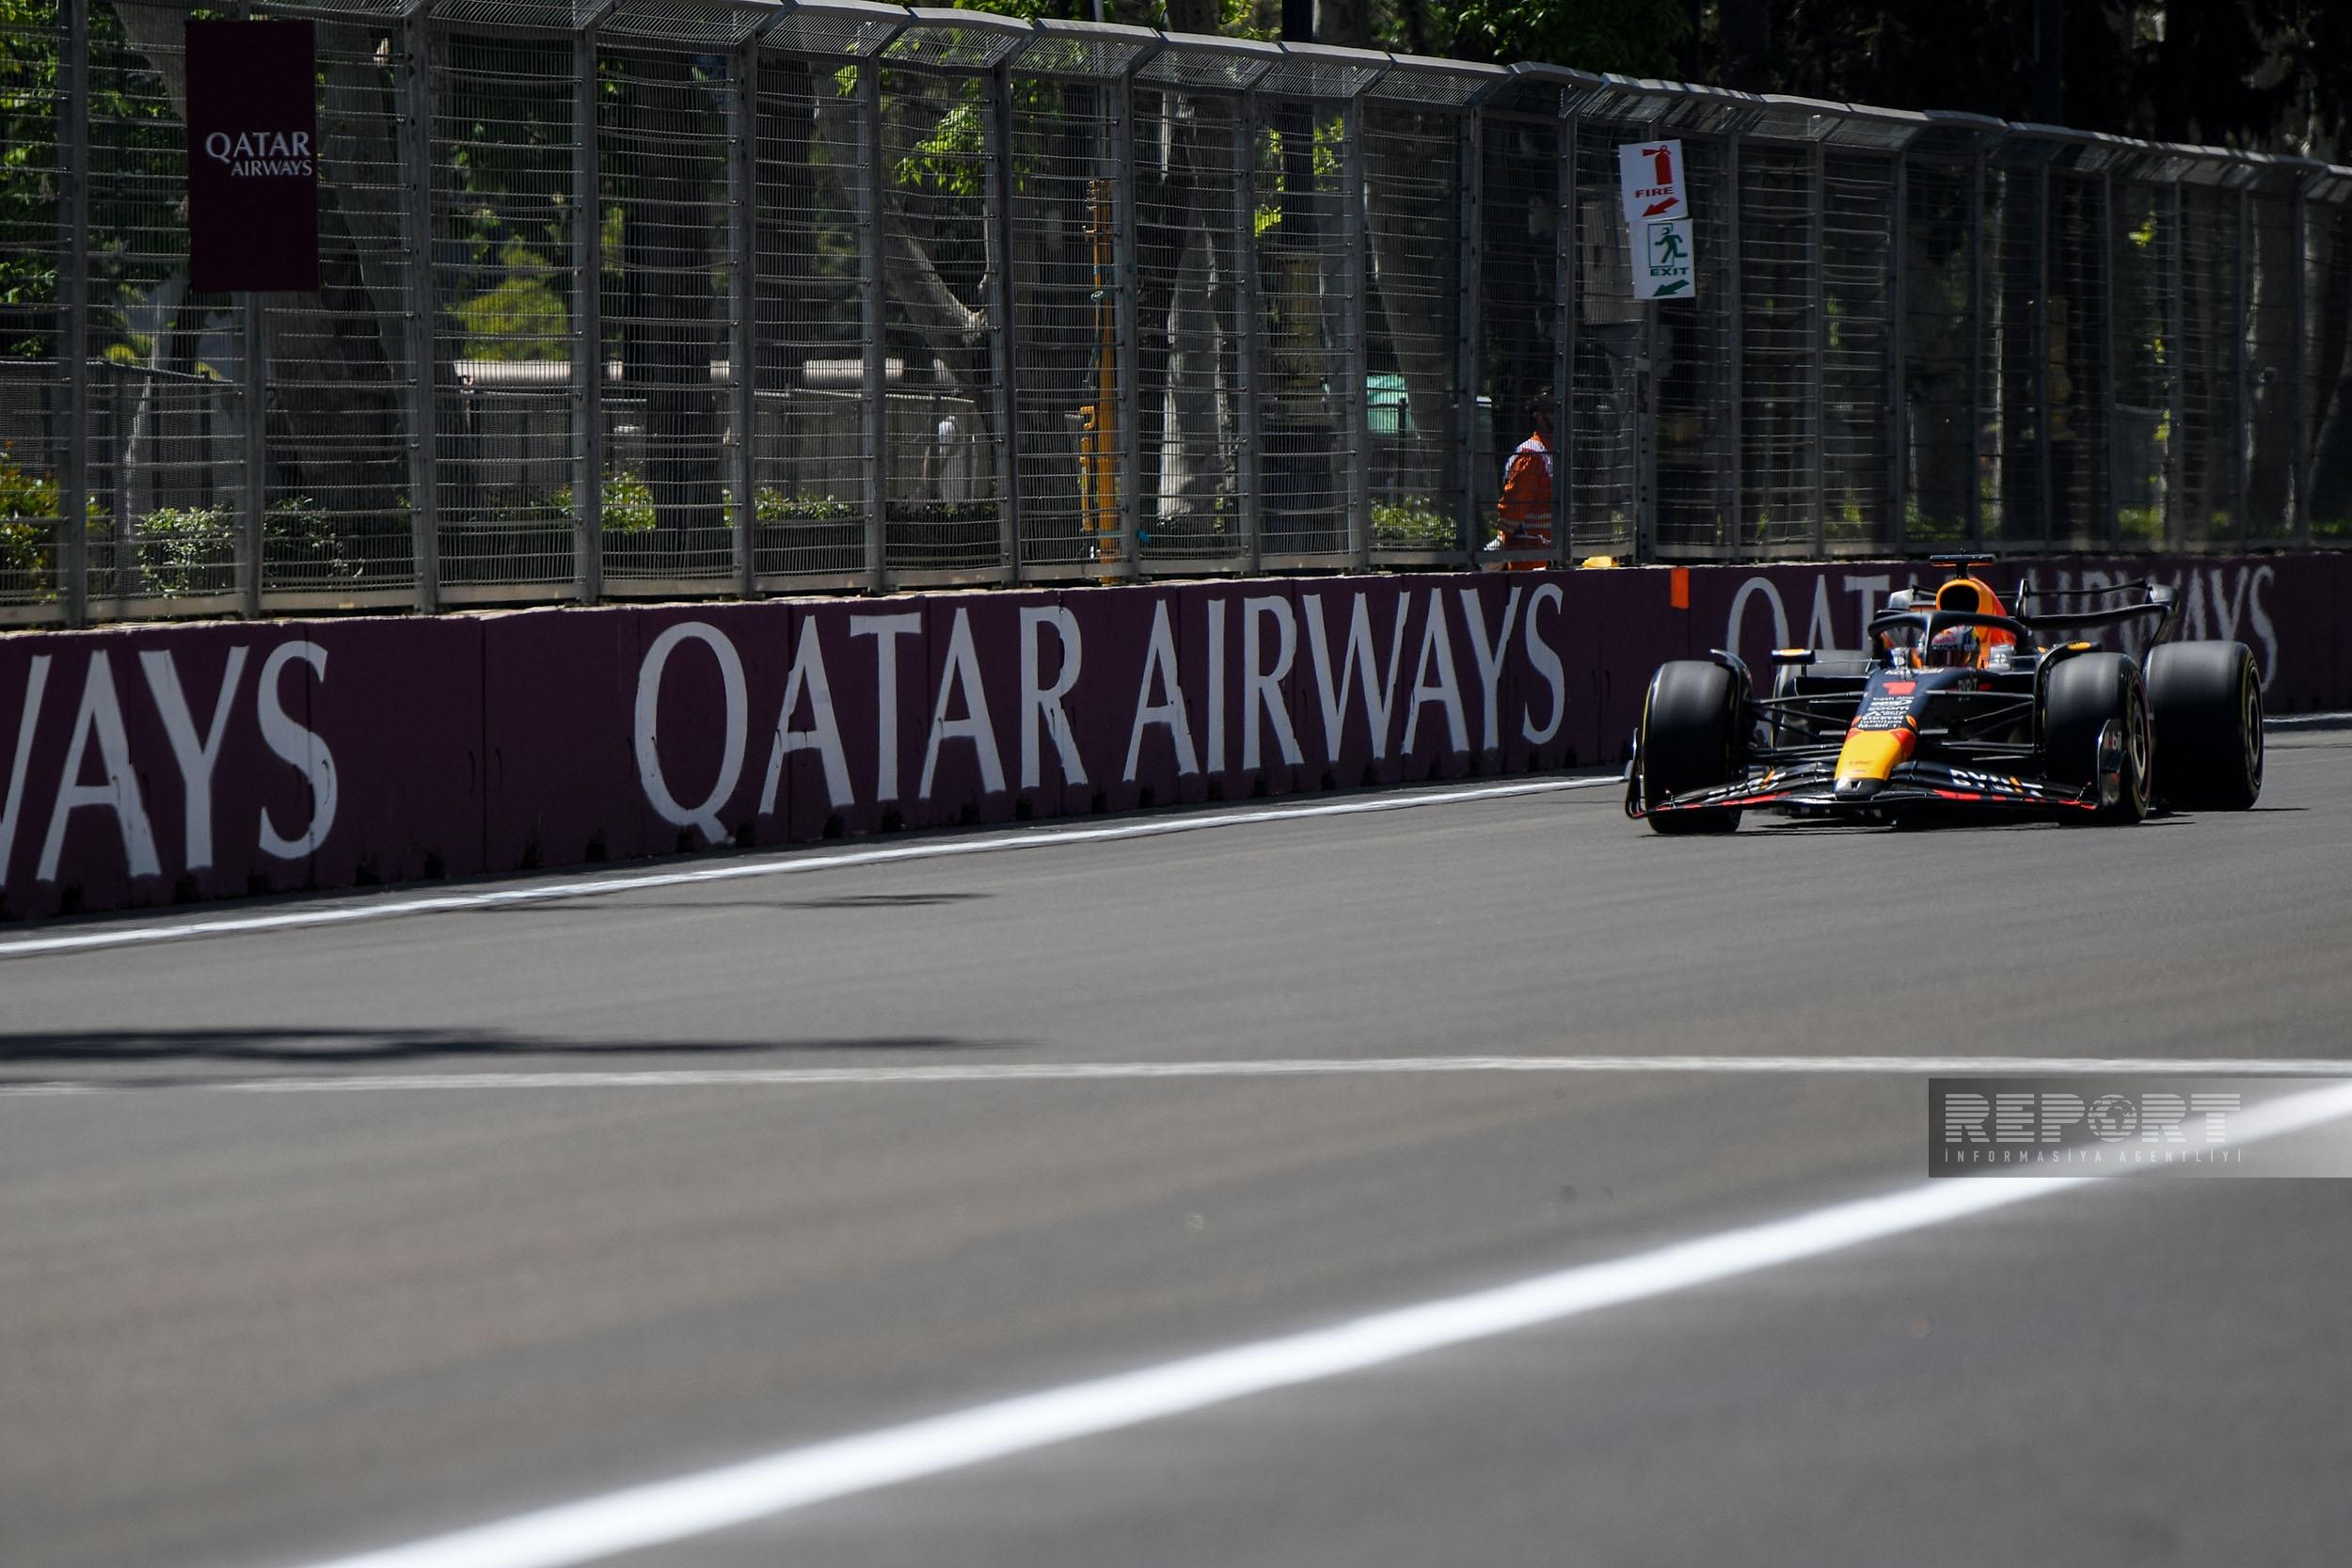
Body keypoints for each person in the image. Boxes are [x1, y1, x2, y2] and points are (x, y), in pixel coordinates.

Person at [1488, 388, 1554, 570]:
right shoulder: (1531, 454)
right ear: (1539, 417)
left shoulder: (1554, 452)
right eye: (1554, 411)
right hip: (1530, 555)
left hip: (1547, 554)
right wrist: (1504, 536)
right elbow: (1514, 506)